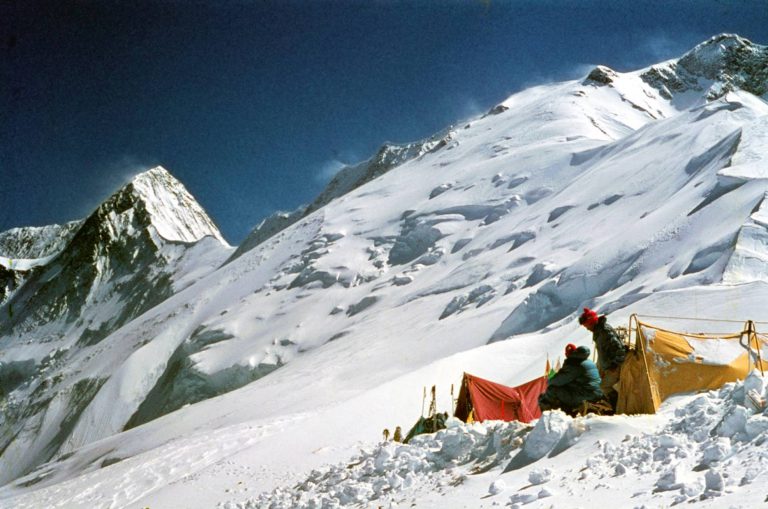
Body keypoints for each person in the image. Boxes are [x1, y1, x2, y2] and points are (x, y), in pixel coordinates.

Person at [579, 307, 626, 409]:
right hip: (606, 365)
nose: (586, 328)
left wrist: (614, 364)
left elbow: (620, 348)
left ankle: (617, 408)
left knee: (604, 387)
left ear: (592, 322)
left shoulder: (605, 332)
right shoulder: (599, 332)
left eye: (587, 325)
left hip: (613, 366)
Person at [539, 343, 603, 415]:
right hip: (596, 392)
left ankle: (550, 416)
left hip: (585, 394)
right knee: (564, 390)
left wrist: (549, 381)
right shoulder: (589, 361)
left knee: (552, 390)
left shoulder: (574, 364)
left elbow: (558, 380)